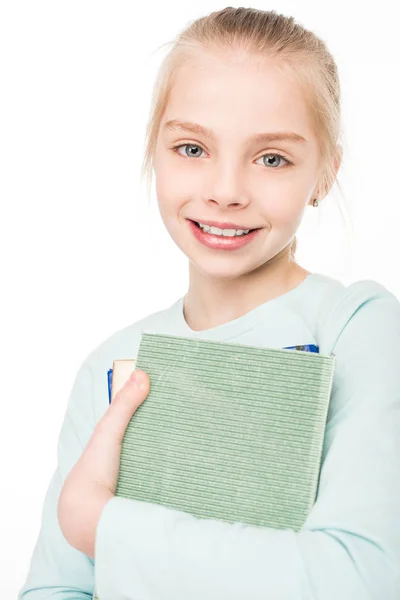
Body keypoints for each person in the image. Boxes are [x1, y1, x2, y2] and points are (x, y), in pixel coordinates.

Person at [18, 7, 400, 599]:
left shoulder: (358, 331)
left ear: (324, 173)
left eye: (272, 158)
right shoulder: (111, 365)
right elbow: (57, 590)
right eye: (192, 148)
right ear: (154, 151)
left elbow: (358, 579)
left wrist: (104, 525)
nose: (225, 191)